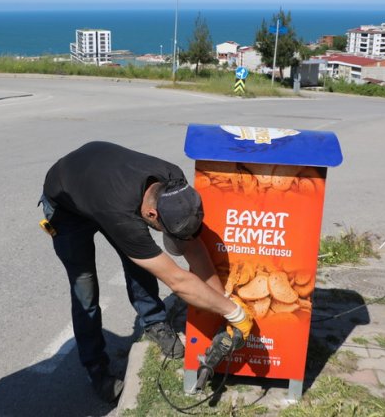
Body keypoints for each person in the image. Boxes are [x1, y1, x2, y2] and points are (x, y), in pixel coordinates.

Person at [40, 141, 253, 402]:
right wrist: (236, 313)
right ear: (151, 214)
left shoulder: (175, 182)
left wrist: (223, 306)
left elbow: (194, 249)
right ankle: (96, 371)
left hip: (101, 184)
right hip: (65, 203)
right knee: (85, 290)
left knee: (138, 266)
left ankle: (154, 322)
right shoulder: (123, 216)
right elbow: (177, 280)